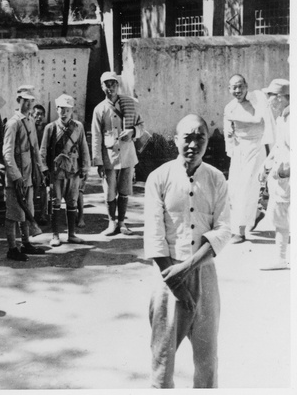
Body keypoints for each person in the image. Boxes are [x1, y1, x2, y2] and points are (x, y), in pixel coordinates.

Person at [144, 114, 230, 388]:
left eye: (200, 138)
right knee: (162, 358)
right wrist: (176, 282)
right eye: (187, 138)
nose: (193, 144)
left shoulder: (216, 179)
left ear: (207, 142)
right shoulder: (159, 177)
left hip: (203, 274)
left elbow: (223, 230)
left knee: (207, 360)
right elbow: (154, 233)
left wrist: (187, 268)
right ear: (175, 140)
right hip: (166, 276)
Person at [91, 71, 144, 236]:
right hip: (110, 156)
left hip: (127, 153)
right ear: (102, 87)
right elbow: (96, 136)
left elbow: (141, 125)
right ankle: (111, 223)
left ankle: (122, 222)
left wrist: (133, 132)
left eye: (113, 84)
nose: (111, 87)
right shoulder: (100, 109)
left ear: (117, 85)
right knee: (109, 191)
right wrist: (98, 162)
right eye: (107, 84)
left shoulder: (129, 104)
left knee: (125, 189)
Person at [3, 87, 48, 261]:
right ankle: (12, 249)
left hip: (28, 175)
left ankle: (26, 243)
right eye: (25, 100)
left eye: (31, 101)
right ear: (18, 100)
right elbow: (7, 152)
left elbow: (35, 149)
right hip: (16, 177)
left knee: (27, 210)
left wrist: (41, 170)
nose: (28, 104)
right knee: (13, 214)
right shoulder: (13, 123)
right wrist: (16, 176)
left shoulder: (30, 121)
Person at [40, 94, 90, 246]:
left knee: (72, 202)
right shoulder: (50, 128)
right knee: (55, 203)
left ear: (72, 110)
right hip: (57, 172)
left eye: (67, 109)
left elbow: (84, 148)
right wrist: (44, 169)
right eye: (61, 109)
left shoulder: (78, 127)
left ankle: (72, 234)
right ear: (57, 109)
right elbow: (42, 151)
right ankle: (55, 236)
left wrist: (85, 167)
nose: (64, 112)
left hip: (74, 171)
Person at [223, 74, 268, 243]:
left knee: (246, 188)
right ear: (229, 89)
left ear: (246, 86)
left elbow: (258, 120)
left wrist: (234, 119)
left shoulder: (256, 101)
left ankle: (240, 231)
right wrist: (230, 134)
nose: (237, 90)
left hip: (255, 148)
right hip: (239, 150)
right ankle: (255, 214)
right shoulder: (229, 108)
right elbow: (228, 131)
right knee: (234, 190)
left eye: (240, 86)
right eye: (234, 87)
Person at [259, 79, 290, 270]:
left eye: (270, 96)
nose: (268, 100)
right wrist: (266, 163)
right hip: (281, 179)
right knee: (281, 220)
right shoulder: (282, 118)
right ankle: (280, 258)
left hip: (288, 177)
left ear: (280, 97)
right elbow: (278, 146)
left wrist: (282, 171)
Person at [32, 104, 48, 225]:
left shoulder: (47, 130)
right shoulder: (29, 130)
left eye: (41, 114)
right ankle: (31, 215)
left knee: (43, 189)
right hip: (31, 164)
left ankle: (43, 214)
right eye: (36, 114)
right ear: (32, 115)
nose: (39, 117)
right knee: (32, 189)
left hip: (43, 164)